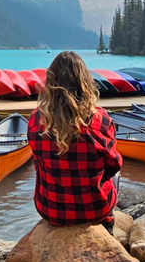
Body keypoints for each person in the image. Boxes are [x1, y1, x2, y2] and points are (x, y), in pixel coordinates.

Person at [28, 51, 122, 231]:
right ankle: (107, 223)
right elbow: (114, 164)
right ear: (84, 82)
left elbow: (36, 162)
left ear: (50, 83)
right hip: (95, 209)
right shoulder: (100, 119)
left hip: (51, 210)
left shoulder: (36, 119)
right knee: (116, 174)